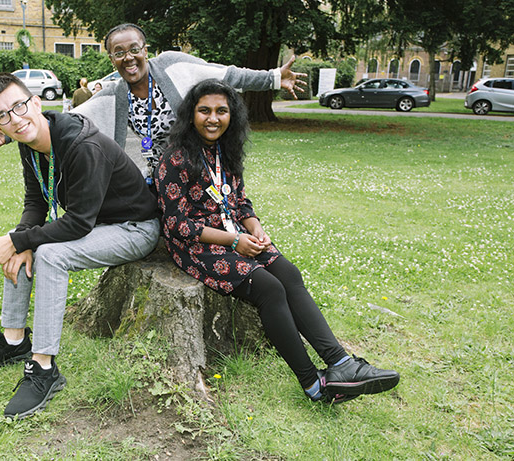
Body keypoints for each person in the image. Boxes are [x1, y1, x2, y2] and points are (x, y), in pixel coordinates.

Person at [154, 79, 400, 403]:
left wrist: (254, 229)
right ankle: (313, 384)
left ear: (232, 115)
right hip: (197, 244)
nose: (213, 118)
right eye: (204, 111)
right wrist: (233, 241)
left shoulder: (225, 151)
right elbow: (175, 224)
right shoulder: (175, 159)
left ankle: (342, 364)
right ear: (190, 115)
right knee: (268, 288)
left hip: (236, 235)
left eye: (221, 111)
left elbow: (240, 201)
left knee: (288, 274)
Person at [0, 72, 160, 419]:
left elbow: (79, 221)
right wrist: (20, 239)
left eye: (19, 106)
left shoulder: (82, 144)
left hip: (134, 228)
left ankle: (43, 369)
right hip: (98, 223)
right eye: (2, 116)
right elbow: (35, 200)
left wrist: (19, 240)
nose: (14, 119)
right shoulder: (29, 142)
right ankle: (13, 342)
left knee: (49, 253)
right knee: (23, 242)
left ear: (36, 102)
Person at [0, 23, 307, 181]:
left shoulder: (175, 66)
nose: (128, 57)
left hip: (192, 171)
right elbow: (72, 117)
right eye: (119, 53)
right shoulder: (113, 95)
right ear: (111, 58)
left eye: (134, 49)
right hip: (146, 182)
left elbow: (227, 75)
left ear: (146, 49)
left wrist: (275, 77)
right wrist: (15, 125)